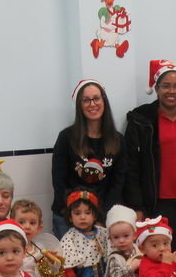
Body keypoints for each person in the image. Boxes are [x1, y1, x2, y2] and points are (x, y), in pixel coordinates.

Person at [123, 59, 176, 247]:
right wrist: (138, 206)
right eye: (166, 86)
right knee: (166, 251)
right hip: (158, 201)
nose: (172, 91)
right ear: (156, 88)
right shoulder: (141, 120)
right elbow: (131, 166)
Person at [51, 79, 125, 237]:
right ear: (79, 105)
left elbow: (117, 183)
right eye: (86, 100)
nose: (92, 104)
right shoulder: (66, 137)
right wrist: (77, 214)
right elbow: (59, 181)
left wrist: (98, 215)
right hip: (68, 215)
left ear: (104, 101)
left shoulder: (118, 139)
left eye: (96, 98)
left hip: (102, 215)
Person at [57, 189, 110, 277]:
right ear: (70, 217)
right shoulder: (69, 239)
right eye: (77, 213)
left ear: (95, 215)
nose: (82, 217)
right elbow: (67, 270)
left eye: (87, 213)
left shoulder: (103, 233)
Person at [104, 205, 141, 277]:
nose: (121, 240)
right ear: (110, 239)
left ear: (134, 235)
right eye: (116, 237)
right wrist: (132, 267)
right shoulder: (114, 258)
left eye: (126, 236)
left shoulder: (139, 251)